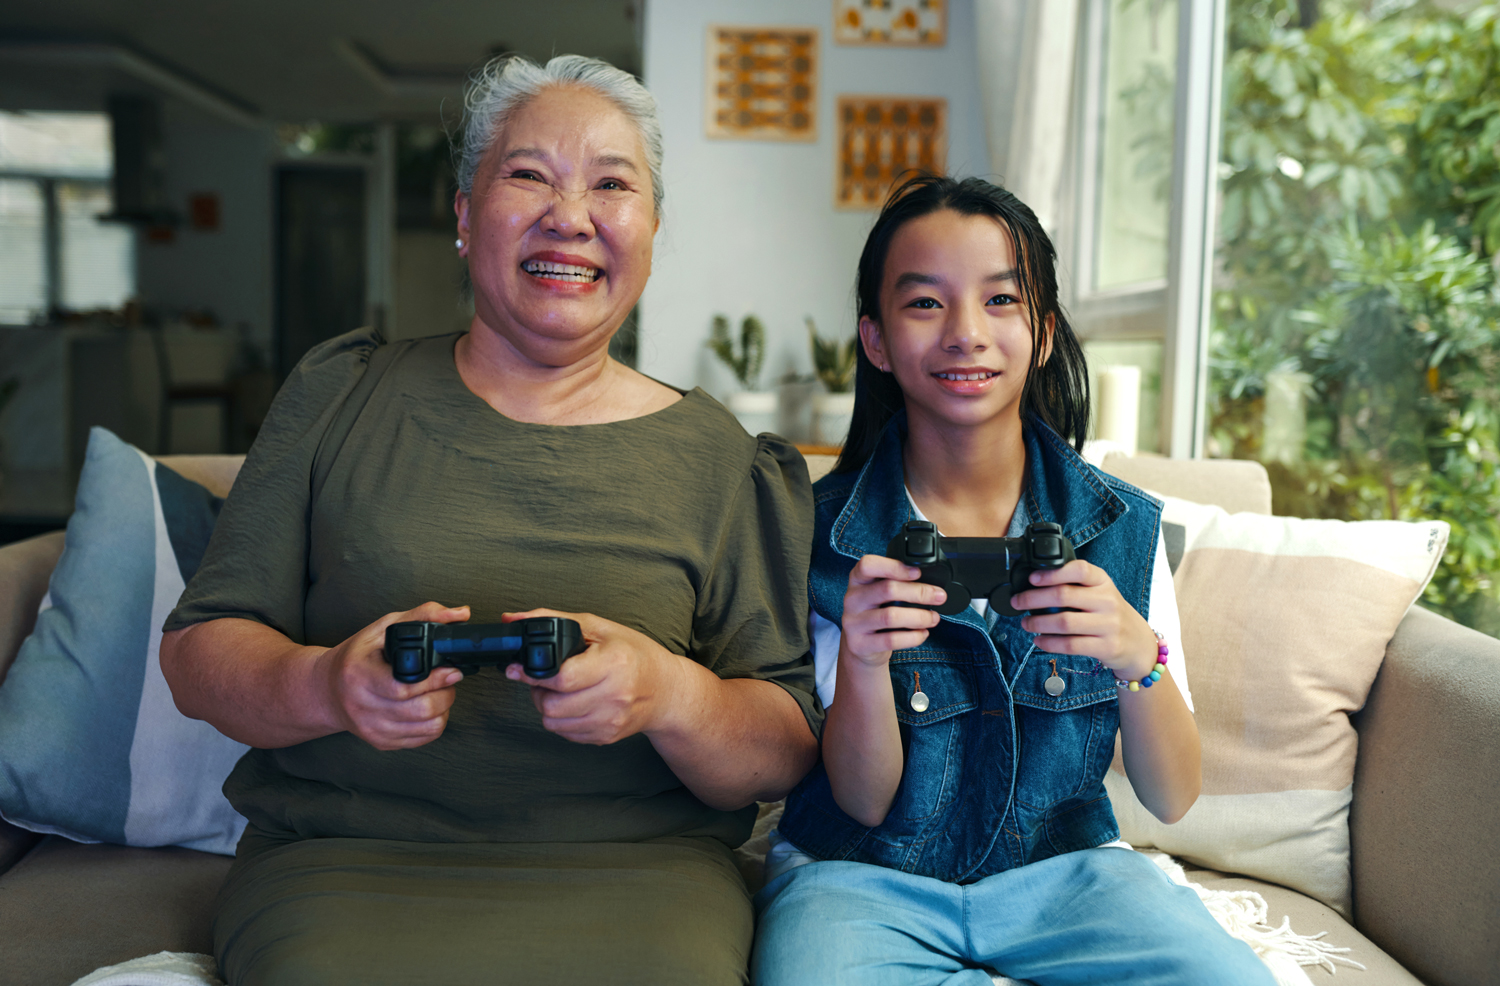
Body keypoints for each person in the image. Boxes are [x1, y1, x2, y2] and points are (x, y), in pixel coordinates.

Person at [159, 54, 821, 986]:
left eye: (611, 184)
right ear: (467, 219)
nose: (571, 215)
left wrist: (670, 694)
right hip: (349, 862)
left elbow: (785, 745)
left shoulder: (722, 458)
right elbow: (198, 656)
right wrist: (327, 685)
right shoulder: (339, 396)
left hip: (639, 874)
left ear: (651, 229)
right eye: (529, 175)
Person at [750, 175, 1276, 986]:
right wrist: (861, 662)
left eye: (1001, 301)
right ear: (876, 339)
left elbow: (1172, 797)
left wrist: (1139, 654)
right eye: (925, 304)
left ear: (1042, 331)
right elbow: (860, 801)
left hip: (1066, 878)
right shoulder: (820, 534)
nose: (967, 334)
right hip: (859, 878)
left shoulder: (1120, 528)